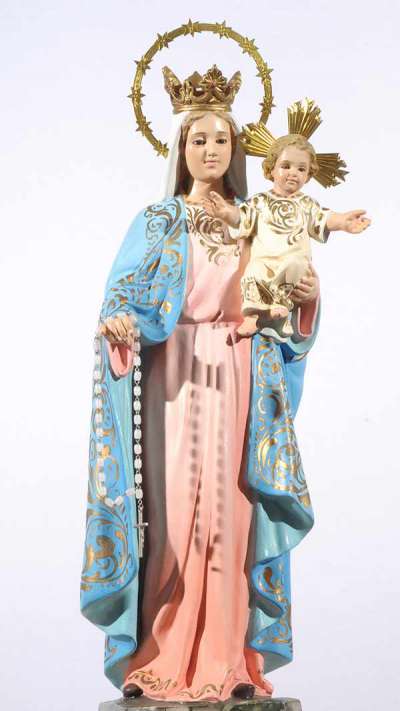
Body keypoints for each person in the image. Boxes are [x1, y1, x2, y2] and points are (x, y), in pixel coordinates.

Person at [81, 66, 321, 702]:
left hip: (239, 374)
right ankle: (156, 657)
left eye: (221, 139)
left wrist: (303, 298)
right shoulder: (158, 220)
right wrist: (120, 322)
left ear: (236, 149)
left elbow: (282, 302)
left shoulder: (256, 218)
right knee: (170, 517)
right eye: (198, 139)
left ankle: (230, 659)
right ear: (180, 148)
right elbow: (123, 294)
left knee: (230, 515)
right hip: (174, 378)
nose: (210, 150)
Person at [203, 134, 370, 340]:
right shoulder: (259, 202)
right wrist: (226, 213)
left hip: (292, 263)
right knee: (253, 272)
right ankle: (253, 316)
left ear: (308, 175)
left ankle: (279, 306)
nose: (293, 173)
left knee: (295, 265)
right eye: (286, 166)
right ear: (271, 169)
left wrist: (343, 221)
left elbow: (324, 218)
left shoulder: (306, 204)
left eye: (301, 169)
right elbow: (242, 218)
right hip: (264, 261)